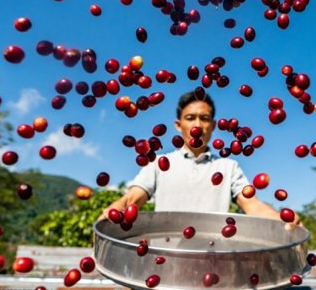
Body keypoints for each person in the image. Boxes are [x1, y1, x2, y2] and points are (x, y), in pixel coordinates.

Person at [100, 91, 301, 228]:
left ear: (213, 125)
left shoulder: (227, 166)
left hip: (213, 260)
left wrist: (280, 219)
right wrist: (115, 209)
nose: (198, 125)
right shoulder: (158, 163)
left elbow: (252, 205)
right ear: (178, 125)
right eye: (190, 118)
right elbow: (133, 198)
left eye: (204, 119)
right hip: (165, 258)